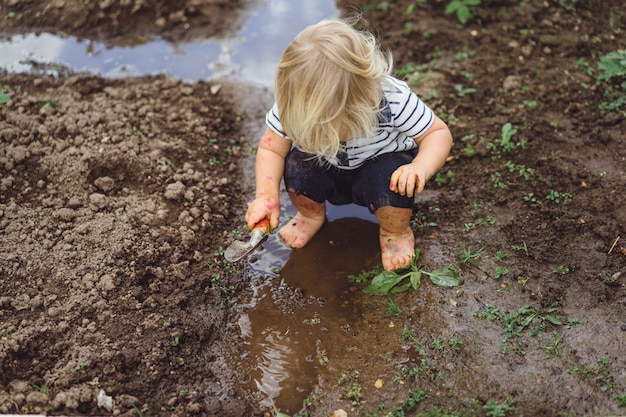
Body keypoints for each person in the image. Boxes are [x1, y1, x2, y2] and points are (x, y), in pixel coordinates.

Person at [245, 18, 453, 271]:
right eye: (317, 126)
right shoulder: (292, 108)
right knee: (297, 166)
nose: (328, 131)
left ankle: (395, 233)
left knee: (393, 183)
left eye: (335, 124)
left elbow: (437, 133)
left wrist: (420, 166)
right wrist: (266, 197)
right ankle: (310, 216)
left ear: (365, 99)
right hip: (325, 161)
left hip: (379, 164)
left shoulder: (393, 98)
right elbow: (271, 148)